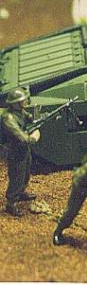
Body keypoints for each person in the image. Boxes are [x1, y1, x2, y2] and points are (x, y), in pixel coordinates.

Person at [1, 88, 40, 216]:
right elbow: (19, 135)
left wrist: (35, 122)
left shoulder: (20, 112)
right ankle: (11, 202)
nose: (24, 102)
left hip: (23, 148)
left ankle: (21, 192)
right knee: (17, 176)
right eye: (22, 101)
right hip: (14, 149)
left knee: (26, 171)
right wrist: (32, 138)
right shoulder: (8, 118)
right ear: (15, 104)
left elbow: (28, 118)